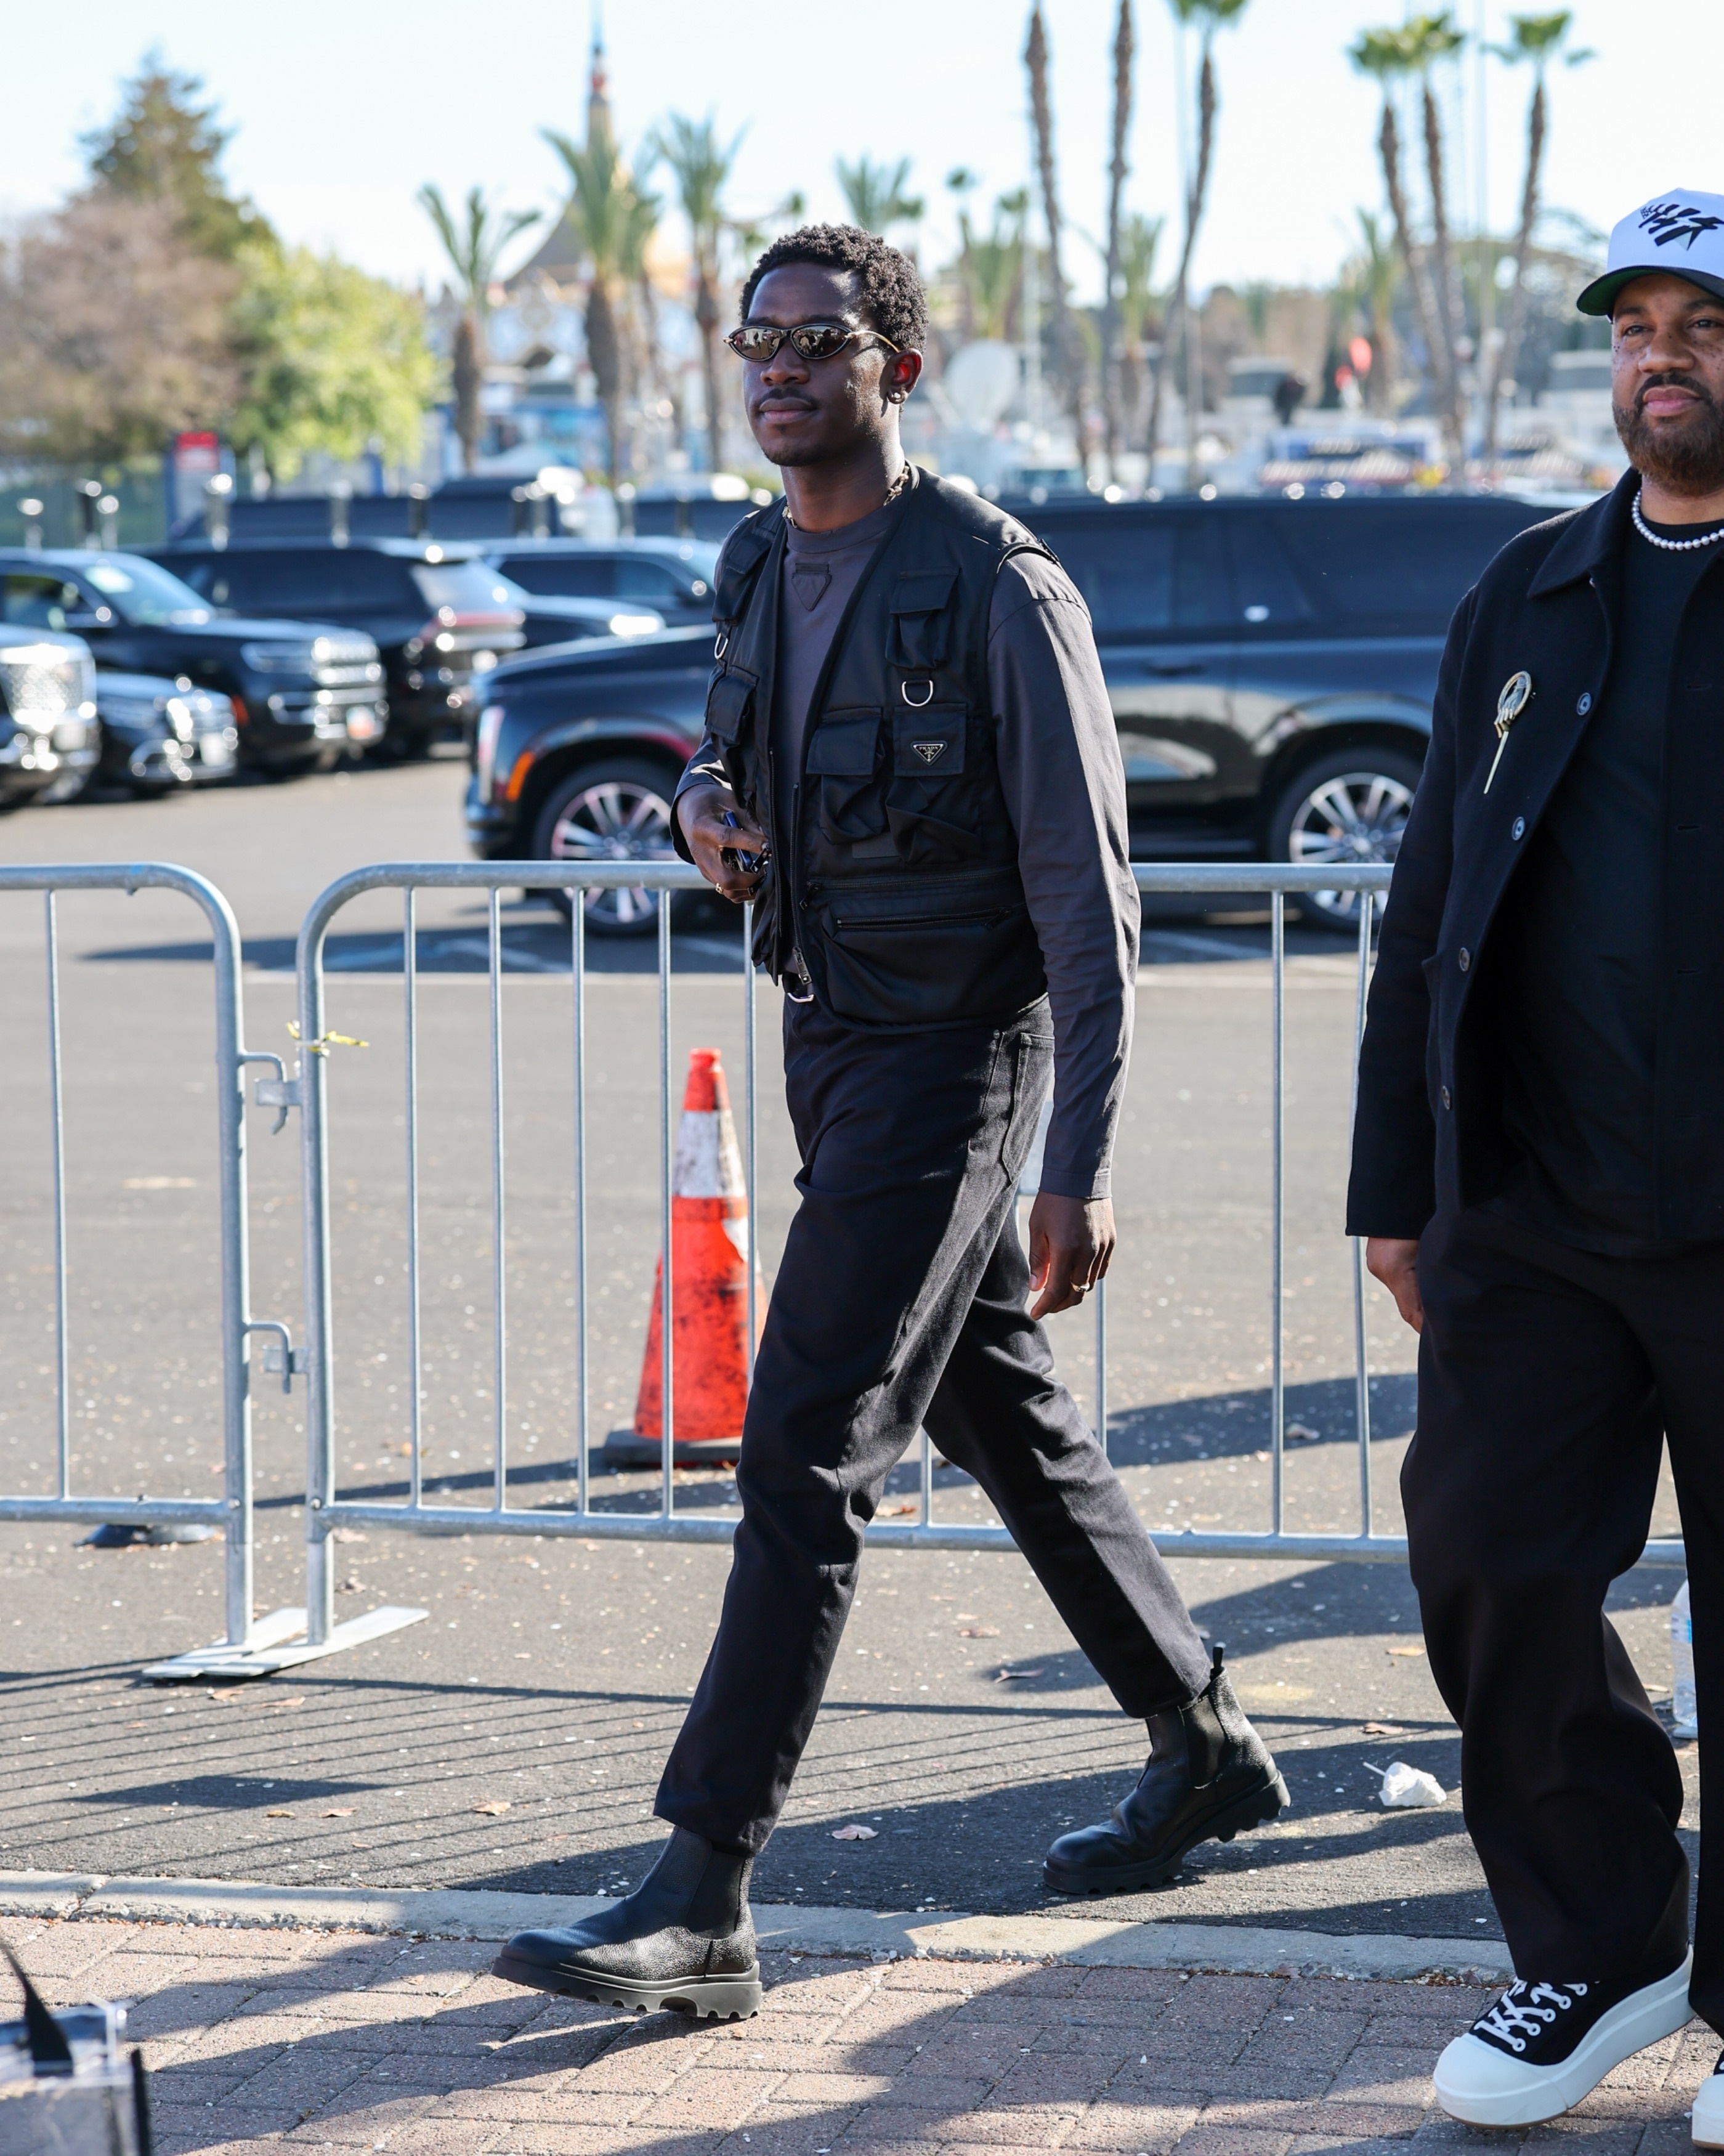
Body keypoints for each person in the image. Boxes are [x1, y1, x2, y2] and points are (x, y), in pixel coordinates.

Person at [493, 224, 1287, 2020]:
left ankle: (704, 1889)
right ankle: (1203, 1732)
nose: (778, 366)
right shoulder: (758, 563)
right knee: (996, 1401)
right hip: (833, 1044)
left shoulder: (999, 584)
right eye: (754, 337)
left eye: (819, 339)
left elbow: (1090, 896)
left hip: (962, 1068)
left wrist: (1079, 1151)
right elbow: (730, 754)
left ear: (897, 370)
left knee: (805, 1445)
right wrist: (703, 803)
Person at [1348, 187, 1724, 2138]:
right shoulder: (1529, 587)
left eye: (1707, 322)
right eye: (1637, 323)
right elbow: (1430, 902)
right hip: (1535, 1209)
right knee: (1493, 1557)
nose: (1665, 353)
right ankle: (1604, 1931)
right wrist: (1397, 1178)